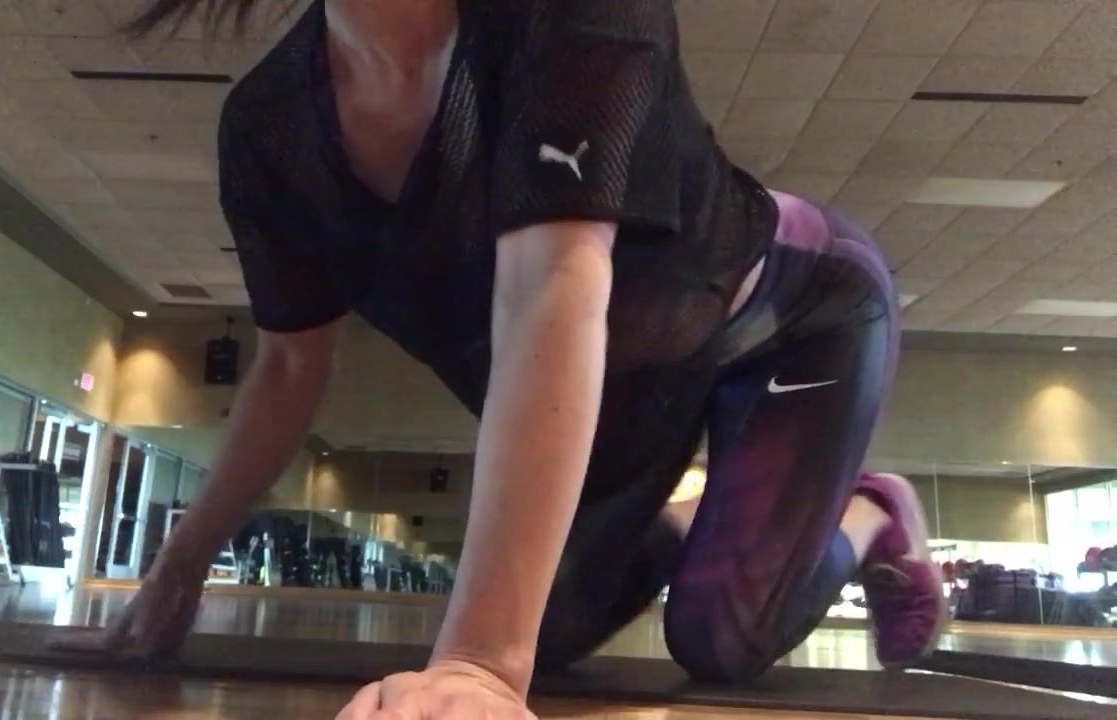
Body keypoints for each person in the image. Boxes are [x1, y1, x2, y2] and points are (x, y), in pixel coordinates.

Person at [60, 1, 945, 717]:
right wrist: (176, 571)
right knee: (547, 631)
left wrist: (480, 666)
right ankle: (703, 522)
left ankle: (872, 511)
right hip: (626, 398)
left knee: (721, 640)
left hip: (788, 321)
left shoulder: (565, 14)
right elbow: (290, 366)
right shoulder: (270, 127)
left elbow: (551, 285)